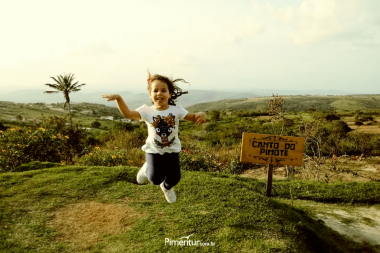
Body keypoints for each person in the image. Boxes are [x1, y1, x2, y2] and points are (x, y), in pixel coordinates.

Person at [102, 72, 206, 203]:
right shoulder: (147, 111)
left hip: (172, 151)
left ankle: (167, 188)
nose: (159, 93)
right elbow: (128, 114)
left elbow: (194, 116)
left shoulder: (176, 110)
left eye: (163, 90)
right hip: (153, 151)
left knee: (174, 178)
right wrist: (118, 98)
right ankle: (146, 169)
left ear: (170, 94)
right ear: (150, 95)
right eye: (155, 90)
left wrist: (202, 113)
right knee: (155, 179)